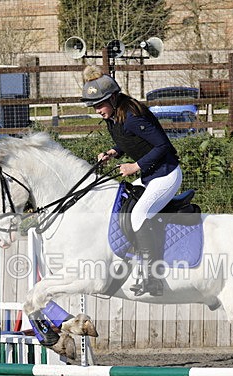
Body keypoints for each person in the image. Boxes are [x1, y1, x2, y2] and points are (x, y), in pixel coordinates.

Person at [81, 65, 182, 297]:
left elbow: (163, 145)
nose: (97, 110)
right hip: (150, 175)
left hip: (166, 175)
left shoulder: (132, 117)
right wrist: (114, 152)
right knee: (123, 206)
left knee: (138, 215)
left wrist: (135, 166)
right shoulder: (115, 116)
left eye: (99, 104)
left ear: (113, 98)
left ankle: (153, 278)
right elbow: (130, 140)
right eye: (94, 106)